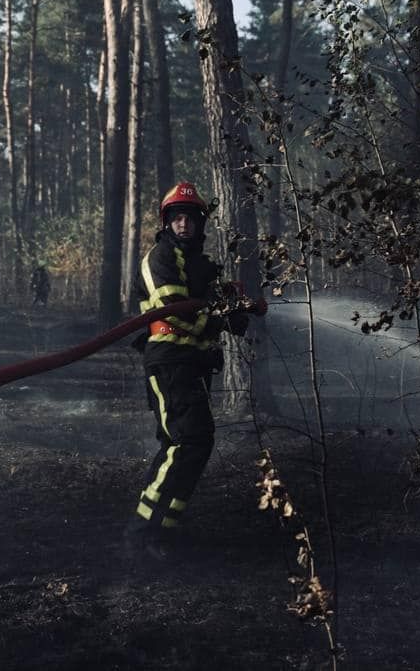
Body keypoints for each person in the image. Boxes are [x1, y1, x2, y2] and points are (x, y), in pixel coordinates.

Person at [126, 181, 263, 558]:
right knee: (183, 443)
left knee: (196, 444)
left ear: (200, 224)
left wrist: (238, 309)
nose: (184, 224)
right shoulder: (159, 258)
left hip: (195, 365)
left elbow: (218, 307)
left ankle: (164, 529)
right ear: (167, 223)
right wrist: (219, 319)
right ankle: (143, 534)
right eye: (177, 218)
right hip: (168, 363)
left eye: (190, 218)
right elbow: (176, 310)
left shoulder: (203, 266)